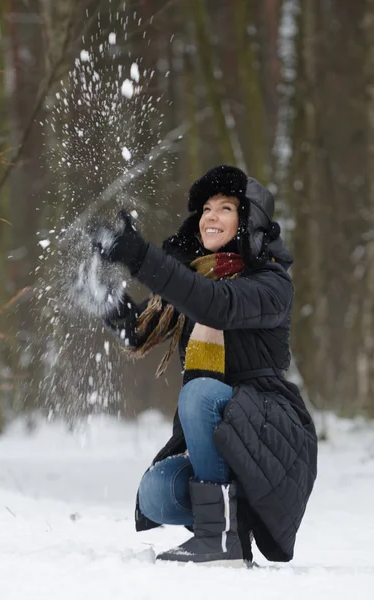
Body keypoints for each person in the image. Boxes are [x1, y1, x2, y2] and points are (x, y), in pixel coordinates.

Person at [93, 165, 318, 567]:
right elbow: (138, 334)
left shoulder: (270, 283)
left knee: (197, 393)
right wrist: (104, 297)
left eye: (225, 208)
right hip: (222, 445)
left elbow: (215, 305)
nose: (211, 216)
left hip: (268, 435)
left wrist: (142, 258)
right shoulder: (198, 279)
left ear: (248, 221)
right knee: (157, 492)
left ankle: (219, 540)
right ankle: (226, 523)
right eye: (206, 209)